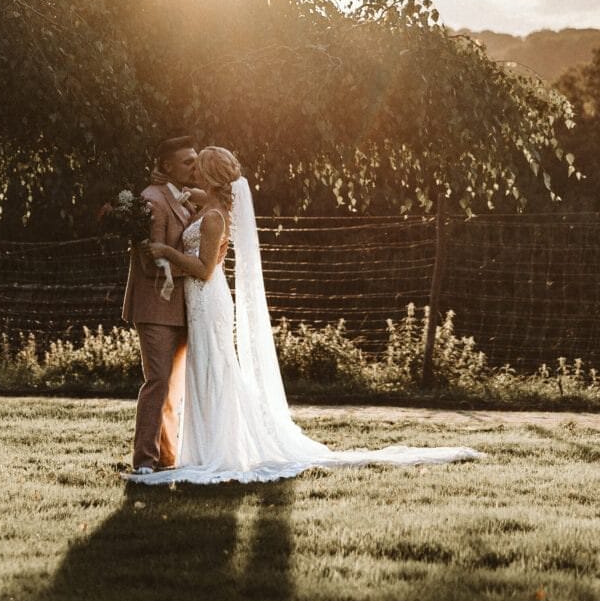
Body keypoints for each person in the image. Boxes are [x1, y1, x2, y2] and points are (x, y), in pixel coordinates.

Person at [127, 146, 482, 484]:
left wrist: (166, 252)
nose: (192, 172)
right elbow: (196, 207)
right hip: (201, 302)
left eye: (197, 166)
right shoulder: (208, 205)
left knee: (215, 370)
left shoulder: (214, 217)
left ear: (208, 175)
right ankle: (204, 446)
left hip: (207, 298)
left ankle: (219, 448)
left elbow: (204, 269)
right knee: (207, 370)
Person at [120, 135, 198, 473]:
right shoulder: (152, 199)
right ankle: (145, 460)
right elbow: (153, 260)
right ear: (167, 166)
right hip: (155, 304)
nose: (195, 167)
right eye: (188, 162)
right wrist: (200, 268)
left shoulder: (184, 198)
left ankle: (167, 457)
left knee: (174, 387)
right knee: (158, 382)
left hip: (180, 304)